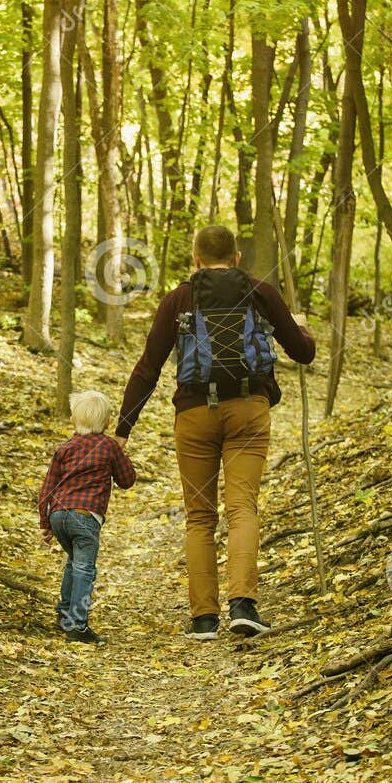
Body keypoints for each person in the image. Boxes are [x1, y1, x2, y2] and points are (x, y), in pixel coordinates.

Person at [115, 225, 316, 640]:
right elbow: (303, 352)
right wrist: (302, 327)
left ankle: (203, 618)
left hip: (193, 415)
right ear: (237, 257)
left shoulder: (178, 299)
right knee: (243, 507)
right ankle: (243, 605)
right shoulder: (261, 291)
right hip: (248, 410)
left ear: (196, 259)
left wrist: (123, 429)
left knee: (200, 517)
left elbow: (148, 367)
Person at [37, 390, 137, 645]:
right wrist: (122, 456)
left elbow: (47, 488)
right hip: (84, 516)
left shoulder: (65, 448)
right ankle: (77, 625)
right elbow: (127, 480)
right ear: (106, 423)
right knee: (84, 568)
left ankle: (64, 613)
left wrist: (45, 523)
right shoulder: (109, 446)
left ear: (74, 420)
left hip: (59, 515)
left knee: (74, 562)